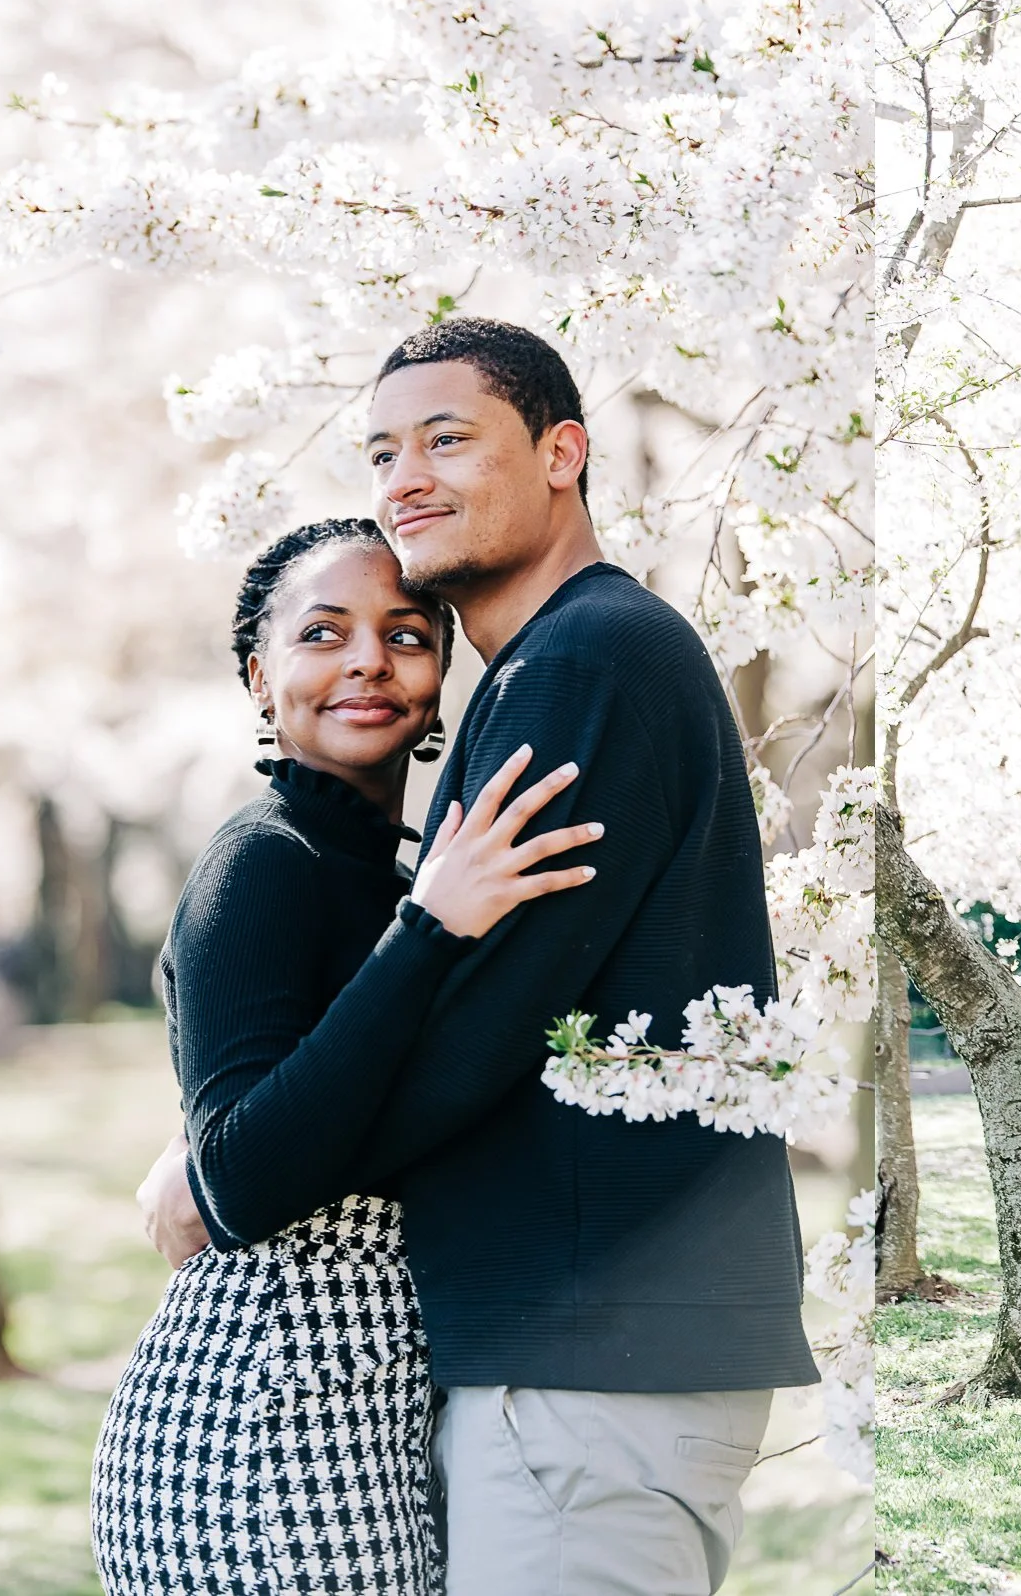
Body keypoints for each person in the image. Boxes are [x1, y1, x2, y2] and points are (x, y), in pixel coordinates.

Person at [143, 317, 814, 1596]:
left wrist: (235, 1171)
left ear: (562, 452)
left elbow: (470, 1035)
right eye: (384, 450)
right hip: (568, 1360)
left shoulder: (583, 661)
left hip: (589, 1357)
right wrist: (239, 1146)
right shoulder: (563, 668)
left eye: (449, 439)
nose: (407, 477)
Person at [93, 518, 602, 1596]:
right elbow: (239, 1175)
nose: (368, 659)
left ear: (438, 679)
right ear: (259, 673)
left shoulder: (411, 867)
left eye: (406, 635)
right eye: (323, 634)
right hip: (265, 1412)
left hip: (373, 1399)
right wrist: (429, 930)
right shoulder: (264, 860)